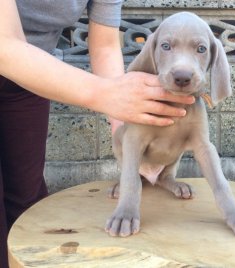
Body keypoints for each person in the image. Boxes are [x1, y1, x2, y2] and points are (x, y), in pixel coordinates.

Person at [0, 1, 195, 267]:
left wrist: (128, 130)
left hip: (28, 79)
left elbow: (104, 45)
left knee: (24, 202)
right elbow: (5, 46)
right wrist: (104, 94)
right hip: (9, 54)